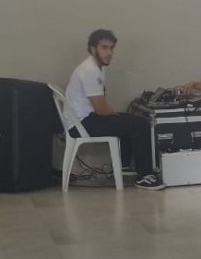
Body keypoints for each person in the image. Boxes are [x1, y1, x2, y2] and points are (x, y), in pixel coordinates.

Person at [65, 29, 164, 190]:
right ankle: (145, 176)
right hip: (82, 123)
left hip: (83, 120)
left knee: (129, 120)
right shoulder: (90, 70)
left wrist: (116, 115)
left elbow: (102, 108)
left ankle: (124, 166)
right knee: (140, 124)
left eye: (111, 48)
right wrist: (114, 114)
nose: (109, 53)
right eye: (104, 47)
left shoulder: (97, 68)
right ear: (92, 48)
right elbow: (101, 109)